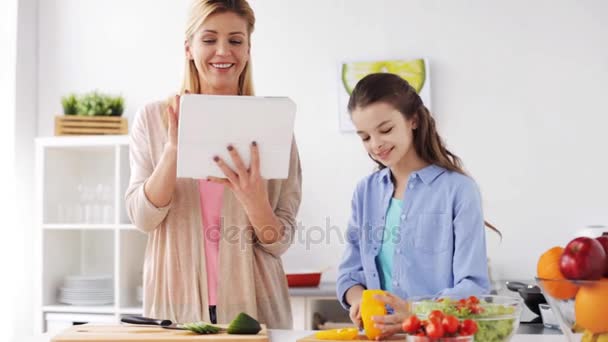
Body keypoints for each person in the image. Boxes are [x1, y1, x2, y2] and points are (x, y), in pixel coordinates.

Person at [125, 0, 302, 329]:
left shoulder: (274, 125)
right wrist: (173, 151)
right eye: (209, 39)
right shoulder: (153, 119)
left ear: (248, 49)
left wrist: (254, 200)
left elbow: (280, 241)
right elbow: (143, 218)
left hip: (255, 307)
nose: (223, 51)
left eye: (235, 40)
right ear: (189, 48)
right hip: (174, 306)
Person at [336, 73, 499, 339]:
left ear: (413, 120)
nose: (375, 145)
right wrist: (357, 300)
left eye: (385, 130)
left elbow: (473, 285)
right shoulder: (365, 192)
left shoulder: (458, 190)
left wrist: (415, 312)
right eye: (365, 137)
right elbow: (350, 273)